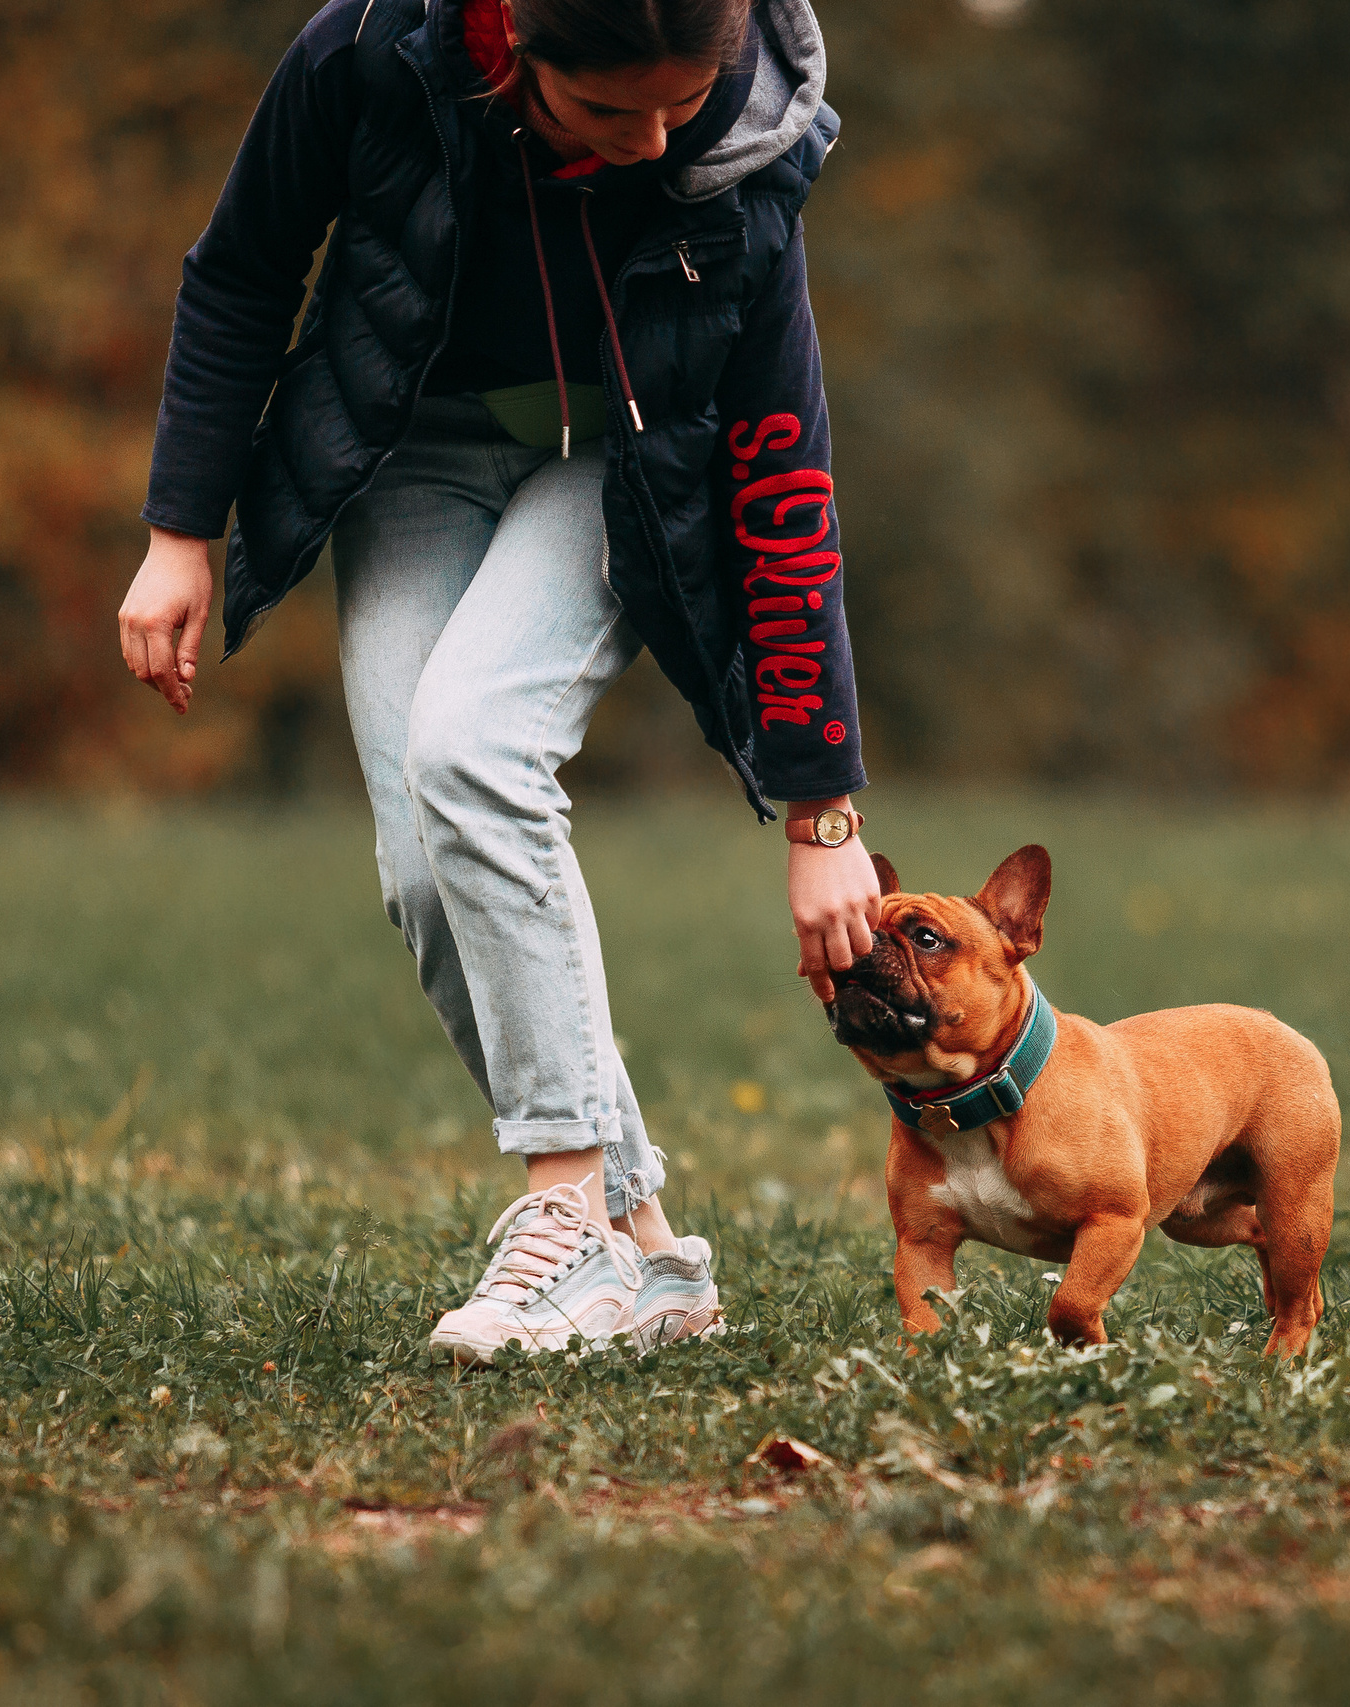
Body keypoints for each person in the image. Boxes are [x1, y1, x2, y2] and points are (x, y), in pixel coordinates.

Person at [116, 0, 877, 1362]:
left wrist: (824, 814)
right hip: (411, 453)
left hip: (617, 469)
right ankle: (649, 1258)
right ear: (508, 37)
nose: (656, 145)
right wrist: (183, 528)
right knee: (423, 867)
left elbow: (780, 464)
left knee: (472, 749)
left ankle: (563, 1215)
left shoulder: (743, 148)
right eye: (606, 114)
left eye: (678, 105)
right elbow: (241, 271)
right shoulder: (365, 53)